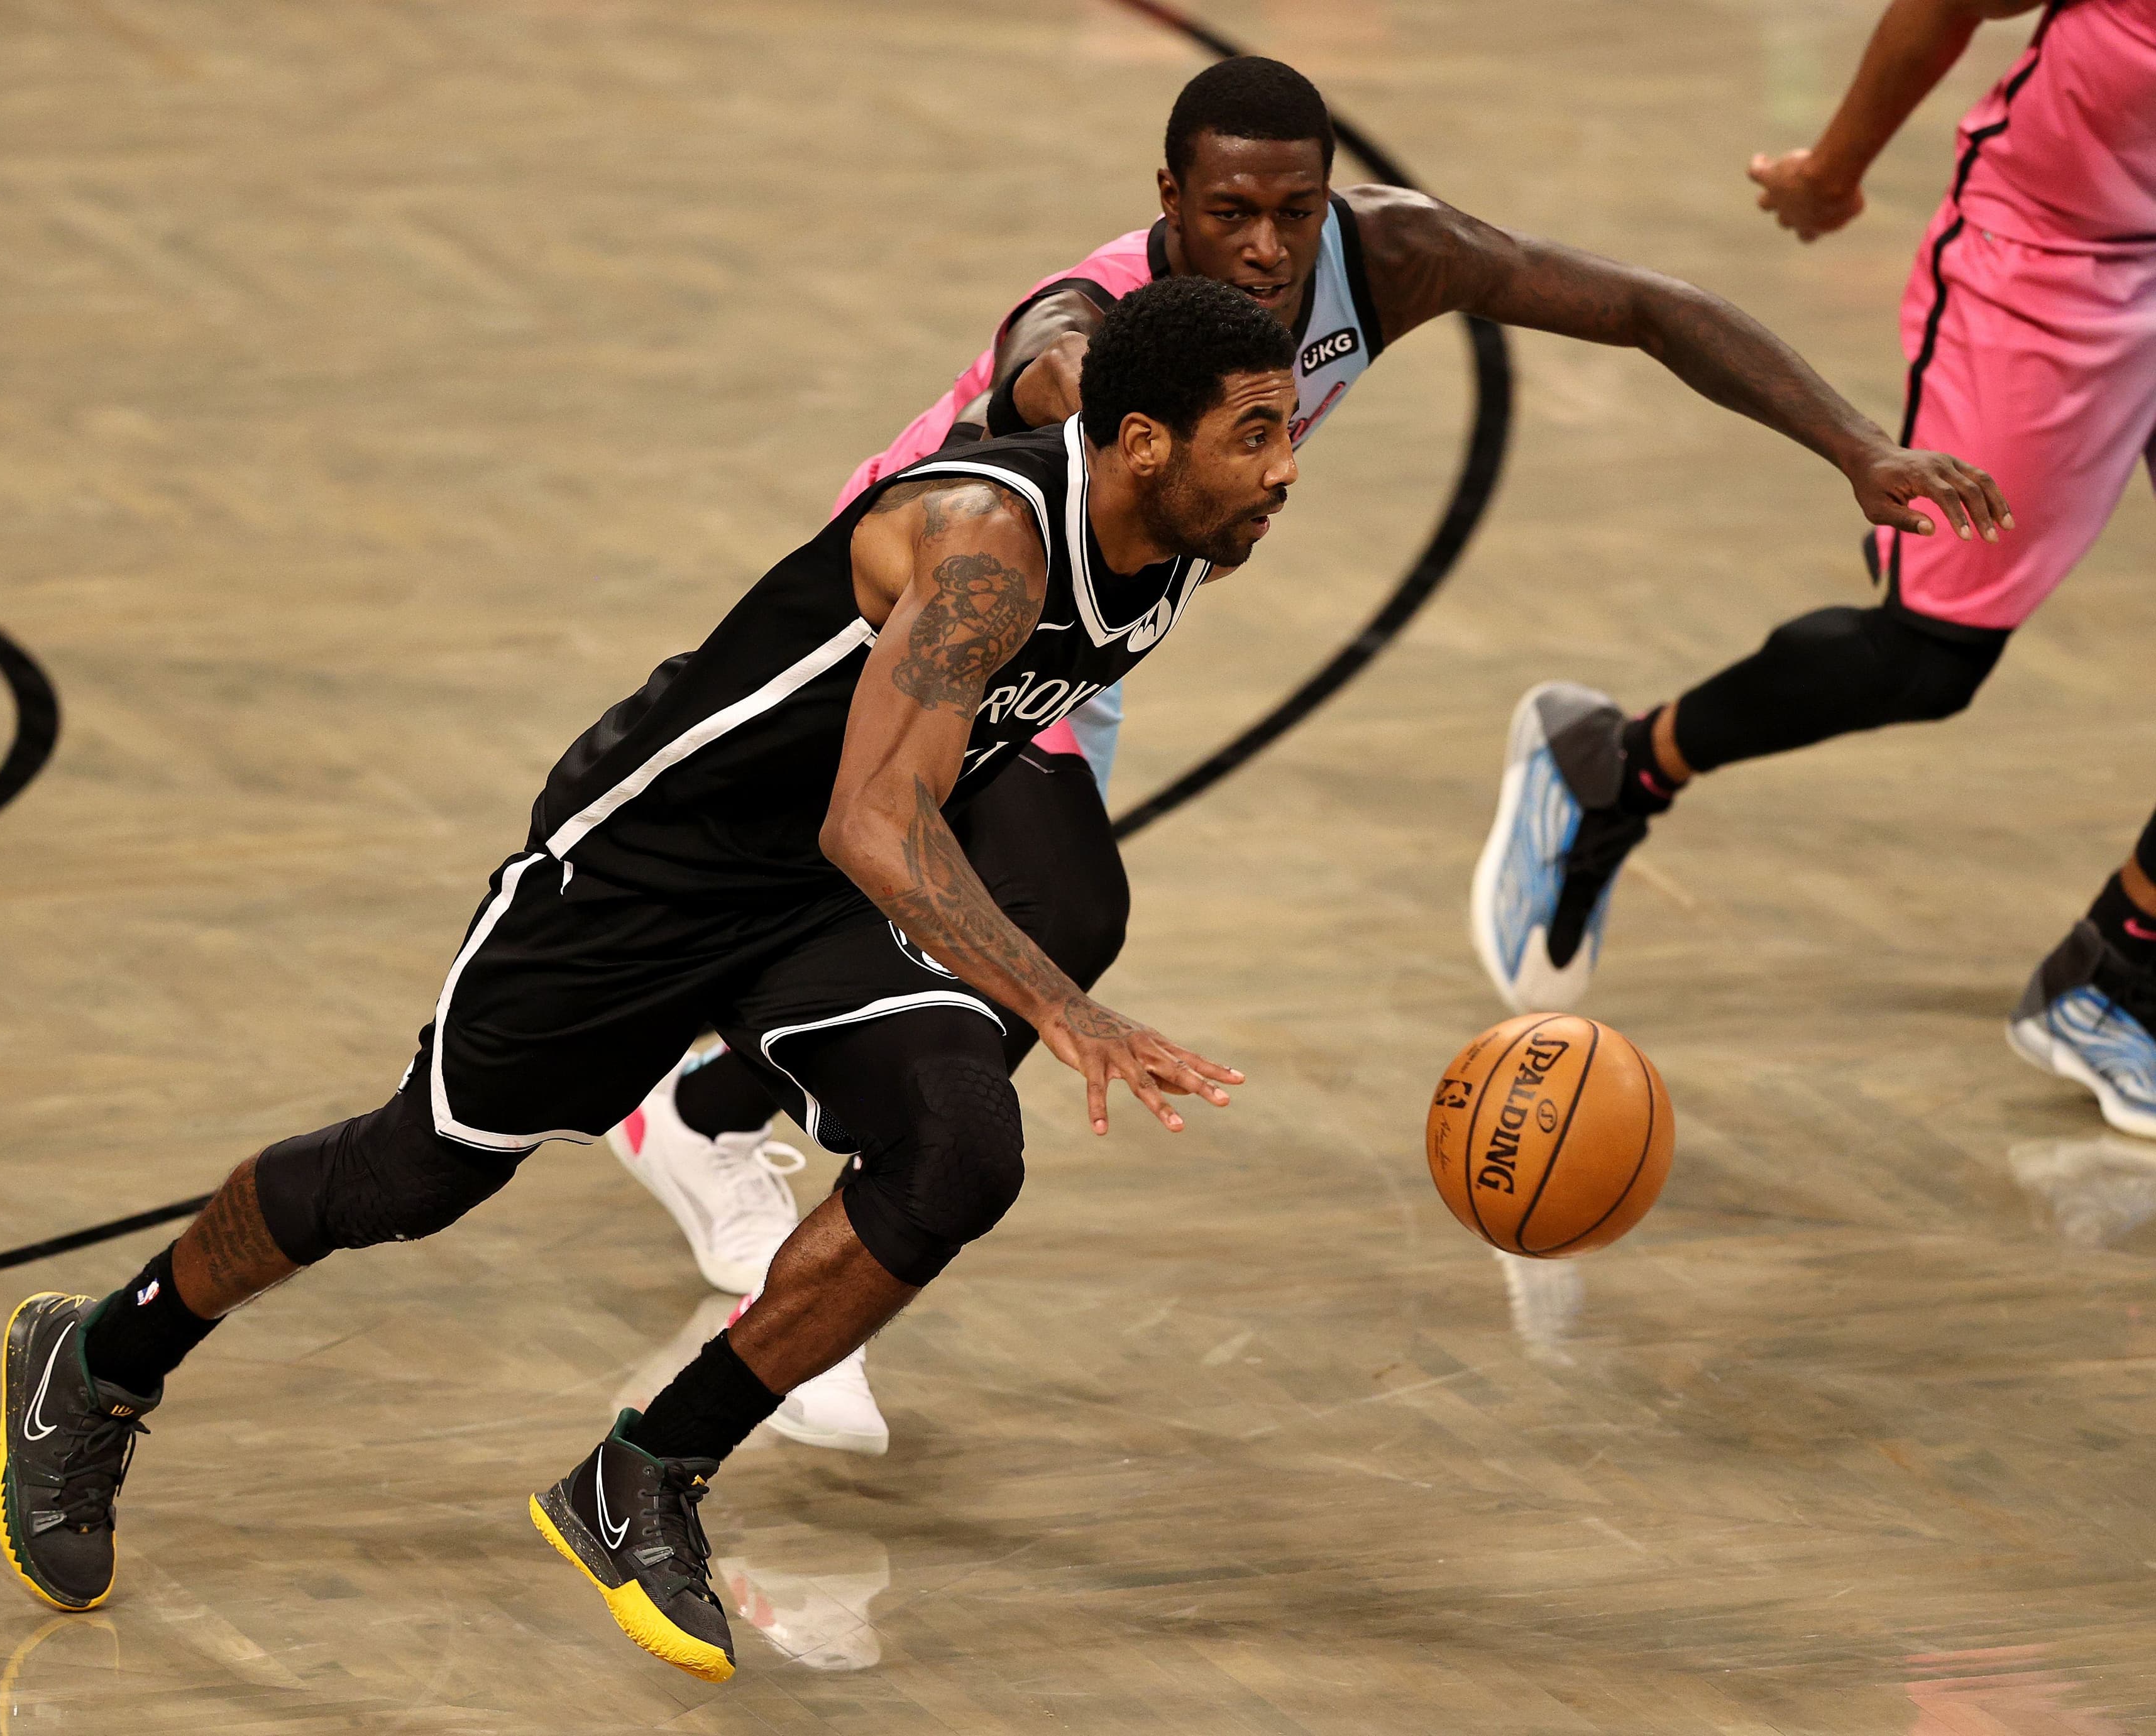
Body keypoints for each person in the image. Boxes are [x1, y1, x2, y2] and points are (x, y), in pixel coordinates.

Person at [615, 52, 2012, 1451]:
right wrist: (1079, 404)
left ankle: (714, 1112)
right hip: (919, 625)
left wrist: (1851, 445)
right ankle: (755, 1213)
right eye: (1232, 211)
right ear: (1170, 202)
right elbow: (1052, 371)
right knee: (1011, 906)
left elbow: (1649, 307)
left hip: (1071, 657)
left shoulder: (1388, 260)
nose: (1270, 246)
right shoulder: (1084, 324)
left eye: (1297, 208)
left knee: (1050, 921)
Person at [0, 277, 1289, 1679]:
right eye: (1260, 433)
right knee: (408, 1175)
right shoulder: (991, 545)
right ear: (1147, 442)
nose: (1287, 467)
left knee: (962, 1146)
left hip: (815, 901)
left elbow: (1063, 379)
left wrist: (1065, 355)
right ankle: (106, 1354)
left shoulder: (1180, 532)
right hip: (645, 875)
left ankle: (648, 1470)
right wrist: (1063, 1001)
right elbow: (877, 815)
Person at [1468, 0, 2153, 1141]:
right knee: (1928, 658)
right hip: (2054, 262)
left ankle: (2115, 973)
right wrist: (1831, 175)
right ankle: (1614, 767)